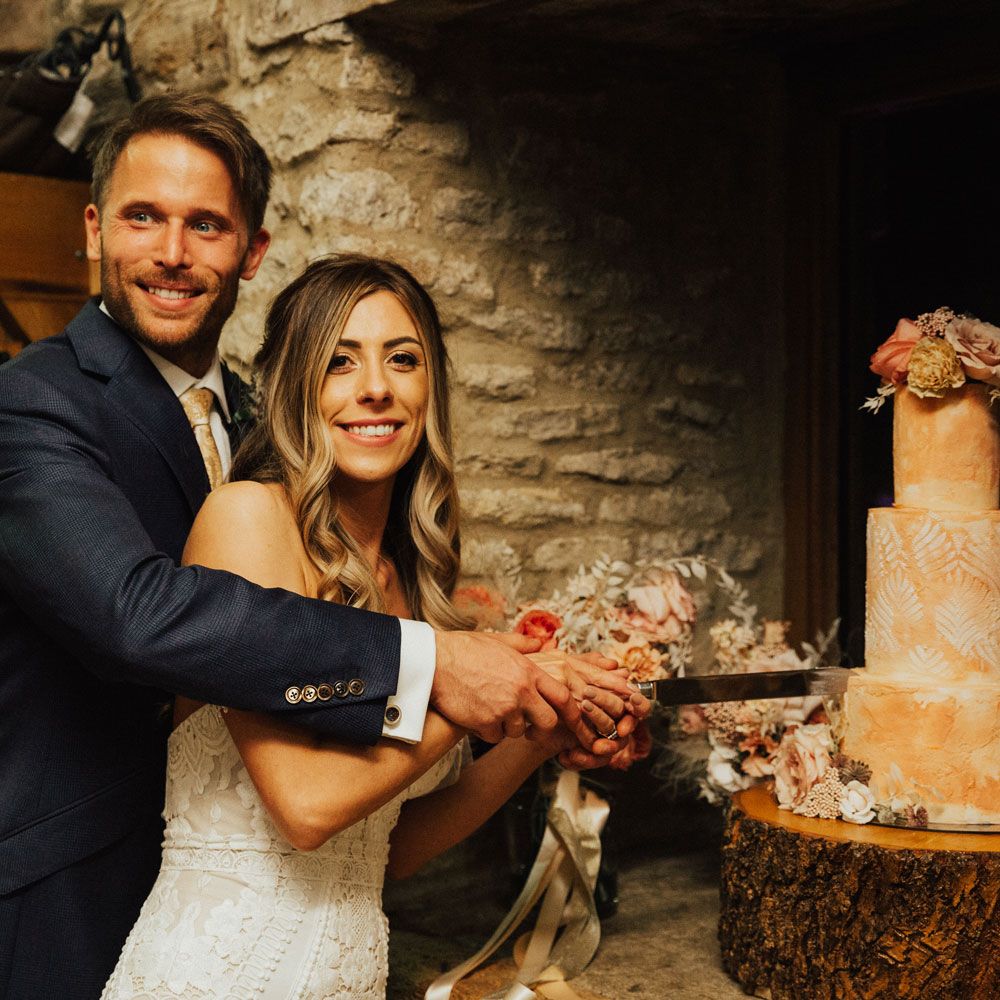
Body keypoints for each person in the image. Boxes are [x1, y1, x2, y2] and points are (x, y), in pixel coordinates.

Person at [0, 94, 645, 1000]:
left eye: (207, 224)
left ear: (252, 249)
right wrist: (444, 669)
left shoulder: (265, 428)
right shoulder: (33, 400)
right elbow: (135, 614)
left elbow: (378, 842)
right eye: (144, 217)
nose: (174, 252)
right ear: (96, 228)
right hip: (71, 886)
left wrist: (537, 721)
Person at [101, 252, 632, 997]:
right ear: (297, 388)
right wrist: (470, 686)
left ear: (430, 388)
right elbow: (305, 808)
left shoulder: (410, 580)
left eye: (402, 359)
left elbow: (390, 848)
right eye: (339, 362)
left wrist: (535, 727)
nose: (375, 387)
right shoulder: (247, 519)